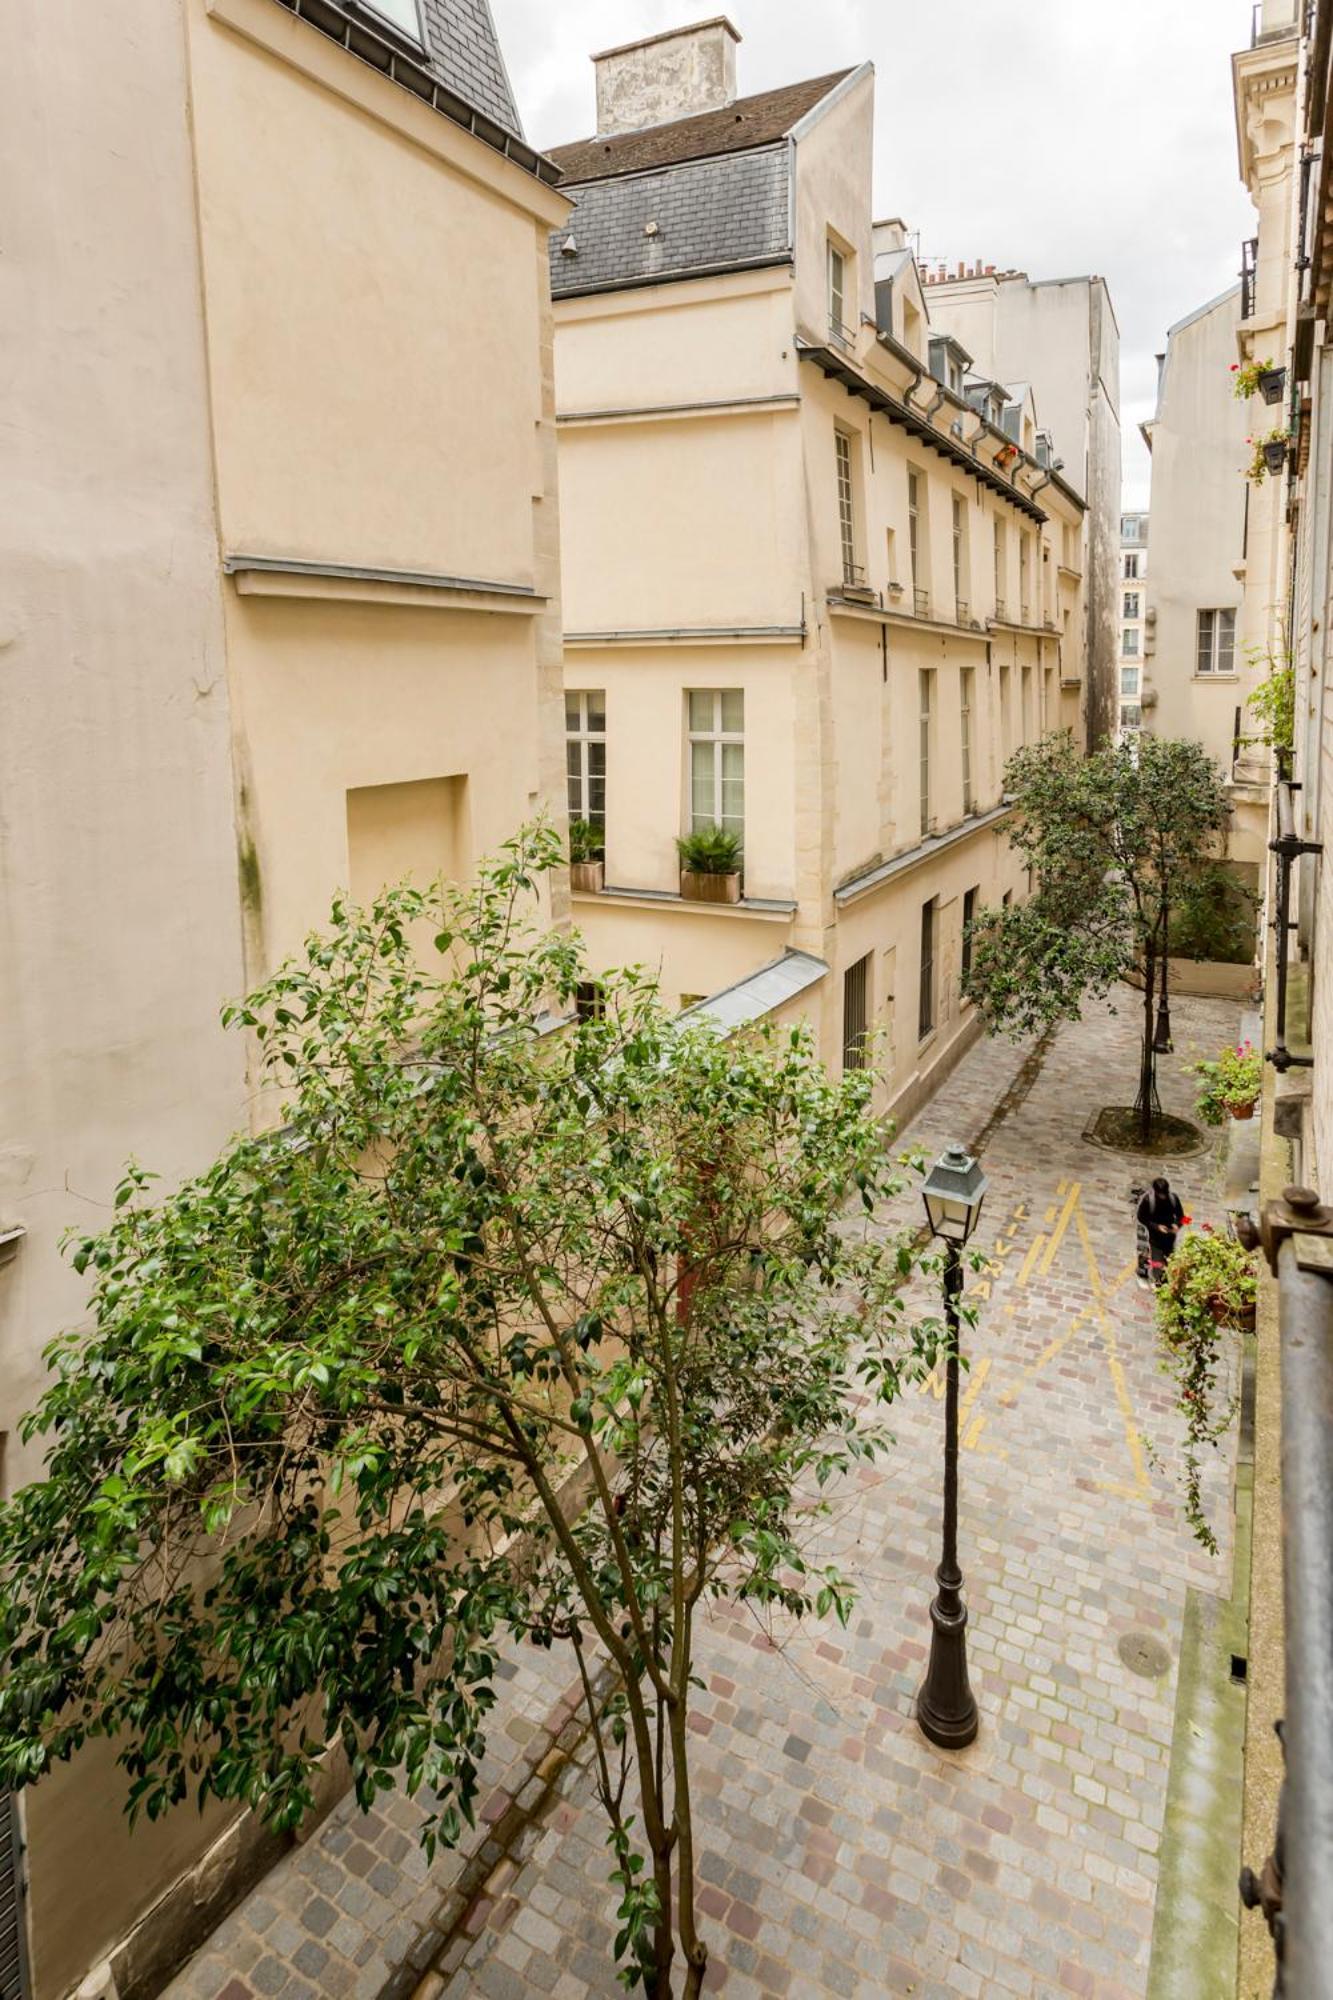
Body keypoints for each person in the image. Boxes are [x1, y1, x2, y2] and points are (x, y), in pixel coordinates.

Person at [1137, 1177, 1186, 1286]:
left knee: (1168, 1261)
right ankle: (1153, 1279)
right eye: (1161, 1194)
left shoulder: (1173, 1199)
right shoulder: (1148, 1200)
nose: (1163, 1197)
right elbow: (1141, 1217)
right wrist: (1156, 1226)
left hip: (1169, 1237)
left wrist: (1177, 1225)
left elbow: (1182, 1217)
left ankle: (1163, 1280)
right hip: (1153, 1237)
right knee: (1156, 1261)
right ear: (1156, 1192)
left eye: (1165, 1194)